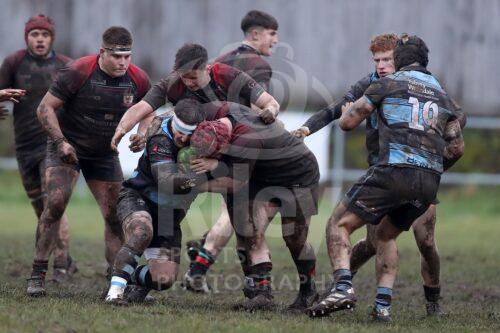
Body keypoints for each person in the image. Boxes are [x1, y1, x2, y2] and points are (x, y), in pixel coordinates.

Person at [293, 33, 466, 315]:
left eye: (388, 59)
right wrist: (306, 129)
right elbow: (337, 108)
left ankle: (425, 300)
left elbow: (347, 120)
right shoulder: (380, 83)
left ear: (399, 59)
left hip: (396, 172)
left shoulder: (410, 86)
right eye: (378, 60)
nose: (383, 64)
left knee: (424, 241)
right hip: (407, 174)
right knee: (381, 238)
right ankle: (374, 301)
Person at [26, 26, 151, 297]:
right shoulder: (78, 71)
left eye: (127, 56)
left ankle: (117, 278)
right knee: (55, 204)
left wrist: (142, 134)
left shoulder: (138, 78)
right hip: (66, 148)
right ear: (102, 52)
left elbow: (148, 111)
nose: (122, 62)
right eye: (117, 56)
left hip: (105, 153)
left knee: (115, 218)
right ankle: (37, 274)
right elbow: (44, 108)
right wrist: (60, 142)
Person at [184, 101, 320, 311]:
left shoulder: (247, 140)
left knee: (294, 239)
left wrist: (194, 184)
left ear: (226, 145)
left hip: (298, 175)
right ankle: (261, 293)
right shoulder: (213, 111)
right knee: (248, 231)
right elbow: (179, 114)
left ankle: (308, 289)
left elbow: (234, 183)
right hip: (260, 175)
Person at [183, 8, 280, 295]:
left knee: (237, 209)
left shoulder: (220, 62)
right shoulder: (258, 64)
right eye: (272, 34)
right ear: (255, 34)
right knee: (250, 209)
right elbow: (258, 110)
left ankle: (202, 256)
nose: (275, 40)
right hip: (243, 144)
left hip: (215, 142)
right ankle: (202, 265)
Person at [104, 99, 205, 305]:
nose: (183, 137)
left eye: (190, 133)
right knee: (142, 231)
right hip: (138, 198)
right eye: (180, 130)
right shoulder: (160, 137)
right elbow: (166, 181)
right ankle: (114, 293)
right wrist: (201, 177)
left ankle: (125, 275)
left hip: (169, 214)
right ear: (174, 123)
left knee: (164, 280)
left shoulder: (207, 141)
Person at [0, 14, 76, 282]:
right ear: (27, 38)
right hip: (24, 146)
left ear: (51, 38)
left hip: (53, 144)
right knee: (40, 209)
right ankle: (64, 258)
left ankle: (63, 264)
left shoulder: (67, 66)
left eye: (44, 35)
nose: (40, 39)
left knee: (52, 204)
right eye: (35, 35)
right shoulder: (13, 63)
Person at [110, 42, 280, 151]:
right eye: (184, 77)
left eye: (193, 77)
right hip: (193, 137)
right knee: (160, 122)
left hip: (235, 135)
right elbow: (141, 108)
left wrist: (270, 111)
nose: (188, 82)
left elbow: (270, 102)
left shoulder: (229, 76)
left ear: (207, 69)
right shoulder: (172, 83)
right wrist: (122, 129)